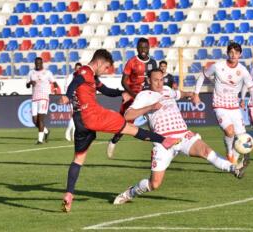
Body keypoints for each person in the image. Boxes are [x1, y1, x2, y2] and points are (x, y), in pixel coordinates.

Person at [61, 49, 179, 213]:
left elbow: (106, 91)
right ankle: (164, 140)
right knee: (130, 128)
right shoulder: (85, 72)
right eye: (106, 67)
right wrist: (67, 95)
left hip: (80, 122)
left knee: (78, 159)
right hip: (94, 116)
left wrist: (122, 93)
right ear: (100, 62)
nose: (106, 71)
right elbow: (76, 82)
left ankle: (69, 193)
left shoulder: (90, 76)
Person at [113, 69, 250, 205]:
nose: (160, 83)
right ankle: (130, 192)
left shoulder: (167, 90)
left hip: (183, 134)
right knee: (154, 184)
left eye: (161, 80)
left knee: (206, 151)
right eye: (156, 80)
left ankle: (233, 168)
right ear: (148, 81)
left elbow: (179, 94)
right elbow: (127, 115)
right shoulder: (144, 96)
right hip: (164, 141)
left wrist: (191, 94)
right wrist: (150, 107)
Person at [192, 42, 253, 164]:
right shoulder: (218, 66)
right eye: (231, 52)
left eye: (237, 52)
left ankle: (233, 160)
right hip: (219, 105)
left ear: (240, 54)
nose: (234, 55)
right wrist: (196, 94)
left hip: (234, 107)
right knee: (229, 131)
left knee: (241, 136)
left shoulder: (243, 70)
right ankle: (229, 152)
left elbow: (252, 88)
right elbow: (202, 76)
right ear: (227, 53)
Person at [107, 37, 157, 159]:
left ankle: (157, 150)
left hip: (148, 97)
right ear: (137, 48)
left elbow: (155, 80)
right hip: (133, 96)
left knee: (155, 123)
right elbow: (123, 82)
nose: (143, 50)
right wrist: (134, 95)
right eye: (141, 47)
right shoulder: (132, 62)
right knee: (124, 123)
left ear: (149, 48)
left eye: (145, 47)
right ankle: (113, 141)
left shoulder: (153, 63)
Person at [26, 57, 59, 144]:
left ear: (42, 63)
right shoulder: (31, 72)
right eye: (36, 63)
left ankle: (40, 140)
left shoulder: (47, 73)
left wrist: (55, 89)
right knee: (34, 121)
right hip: (34, 98)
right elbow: (27, 85)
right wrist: (30, 83)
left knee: (40, 119)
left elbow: (54, 82)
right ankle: (46, 131)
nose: (38, 64)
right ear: (34, 63)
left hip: (44, 98)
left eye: (39, 63)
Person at [64, 62, 82, 142]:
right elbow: (66, 87)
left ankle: (73, 133)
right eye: (77, 68)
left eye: (79, 68)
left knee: (77, 116)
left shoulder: (82, 76)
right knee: (74, 115)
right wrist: (68, 97)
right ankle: (68, 132)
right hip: (72, 98)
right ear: (74, 68)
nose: (78, 69)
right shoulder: (71, 76)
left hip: (80, 98)